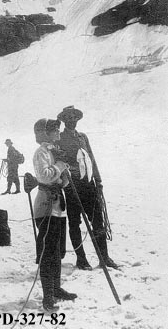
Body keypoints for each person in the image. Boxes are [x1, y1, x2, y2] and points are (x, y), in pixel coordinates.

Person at [56, 105, 118, 270]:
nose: (72, 120)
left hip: (88, 185)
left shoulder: (83, 137)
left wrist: (98, 180)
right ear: (63, 120)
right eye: (68, 117)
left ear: (77, 119)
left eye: (74, 117)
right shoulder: (59, 139)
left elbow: (91, 157)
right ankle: (81, 259)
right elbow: (58, 162)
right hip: (72, 187)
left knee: (98, 221)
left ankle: (104, 257)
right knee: (75, 223)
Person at [33, 118, 77, 312]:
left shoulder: (53, 151)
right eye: (55, 131)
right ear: (46, 133)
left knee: (58, 252)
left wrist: (64, 172)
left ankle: (56, 289)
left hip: (58, 208)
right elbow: (44, 176)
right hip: (45, 208)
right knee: (48, 253)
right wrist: (59, 165)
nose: (59, 134)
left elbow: (62, 181)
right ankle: (48, 296)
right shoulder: (41, 153)